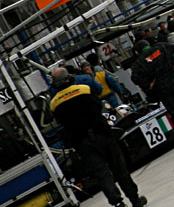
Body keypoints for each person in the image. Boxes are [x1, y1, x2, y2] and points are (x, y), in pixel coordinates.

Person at [50, 67, 147, 207]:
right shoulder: (84, 89)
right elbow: (98, 106)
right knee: (119, 168)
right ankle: (135, 199)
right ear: (70, 78)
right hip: (102, 135)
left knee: (102, 174)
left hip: (82, 142)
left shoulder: (54, 103)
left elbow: (61, 123)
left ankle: (117, 203)